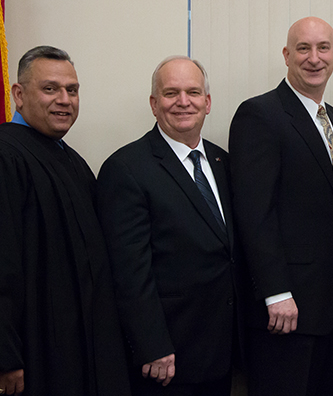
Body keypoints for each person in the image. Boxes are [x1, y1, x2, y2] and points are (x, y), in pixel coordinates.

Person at [0, 46, 130, 396]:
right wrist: (1, 357)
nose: (64, 99)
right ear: (19, 94)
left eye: (72, 90)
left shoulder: (73, 163)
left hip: (78, 350)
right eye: (50, 88)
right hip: (30, 355)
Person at [96, 56, 243, 396]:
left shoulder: (223, 163)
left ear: (207, 103)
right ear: (153, 103)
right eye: (171, 93)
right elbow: (129, 272)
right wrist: (152, 345)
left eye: (193, 92)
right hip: (167, 356)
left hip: (221, 351)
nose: (183, 102)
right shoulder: (127, 168)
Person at [228, 16, 333, 396]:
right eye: (303, 48)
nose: (313, 58)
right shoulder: (260, 115)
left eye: (322, 48)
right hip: (285, 310)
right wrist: (276, 291)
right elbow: (254, 211)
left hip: (330, 310)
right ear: (286, 55)